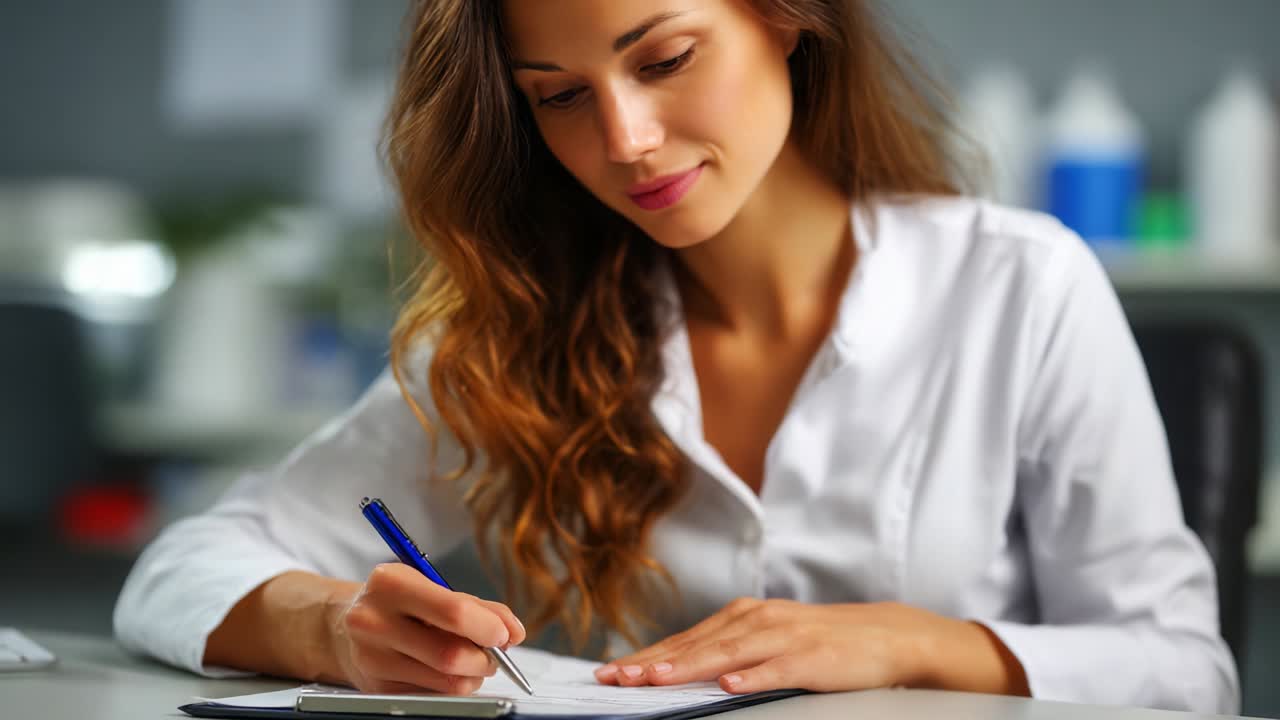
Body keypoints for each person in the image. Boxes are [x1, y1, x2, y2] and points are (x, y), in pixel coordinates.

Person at [113, 0, 1239, 713]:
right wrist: (330, 629)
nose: (622, 141)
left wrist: (908, 642)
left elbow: (1186, 671)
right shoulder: (514, 329)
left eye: (663, 56)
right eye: (556, 98)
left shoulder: (1019, 285)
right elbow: (185, 566)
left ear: (785, 18)